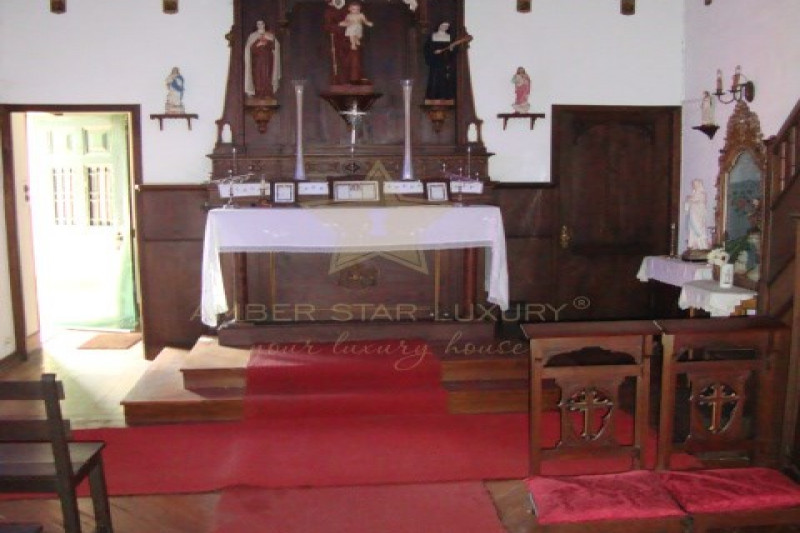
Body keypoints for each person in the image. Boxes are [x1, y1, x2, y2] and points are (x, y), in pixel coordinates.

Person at [244, 20, 281, 100]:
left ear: (264, 24)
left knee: (267, 75)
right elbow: (249, 49)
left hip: (268, 59)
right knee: (258, 76)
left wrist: (269, 41)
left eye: (262, 23)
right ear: (257, 25)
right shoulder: (252, 36)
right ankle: (258, 93)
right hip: (257, 60)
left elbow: (275, 46)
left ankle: (268, 92)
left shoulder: (270, 35)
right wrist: (258, 43)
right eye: (258, 24)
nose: (260, 25)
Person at [424, 22, 457, 101]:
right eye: (443, 25)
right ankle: (433, 98)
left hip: (445, 63)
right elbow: (426, 49)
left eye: (447, 26)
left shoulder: (450, 37)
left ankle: (446, 98)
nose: (445, 27)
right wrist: (433, 52)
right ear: (439, 25)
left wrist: (451, 49)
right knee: (434, 80)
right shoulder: (432, 36)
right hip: (435, 63)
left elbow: (453, 53)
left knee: (445, 79)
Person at [323, 0, 348, 85]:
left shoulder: (348, 7)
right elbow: (328, 26)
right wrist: (340, 25)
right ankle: (339, 81)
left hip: (350, 40)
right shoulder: (330, 10)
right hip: (336, 41)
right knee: (337, 61)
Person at [685, 178, 711, 250]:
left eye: (695, 184)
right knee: (692, 229)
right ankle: (693, 245)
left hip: (698, 214)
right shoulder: (693, 194)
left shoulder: (702, 194)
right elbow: (687, 206)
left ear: (699, 185)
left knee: (699, 228)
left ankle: (701, 246)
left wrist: (691, 199)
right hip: (693, 214)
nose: (693, 186)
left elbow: (701, 202)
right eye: (693, 184)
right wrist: (688, 200)